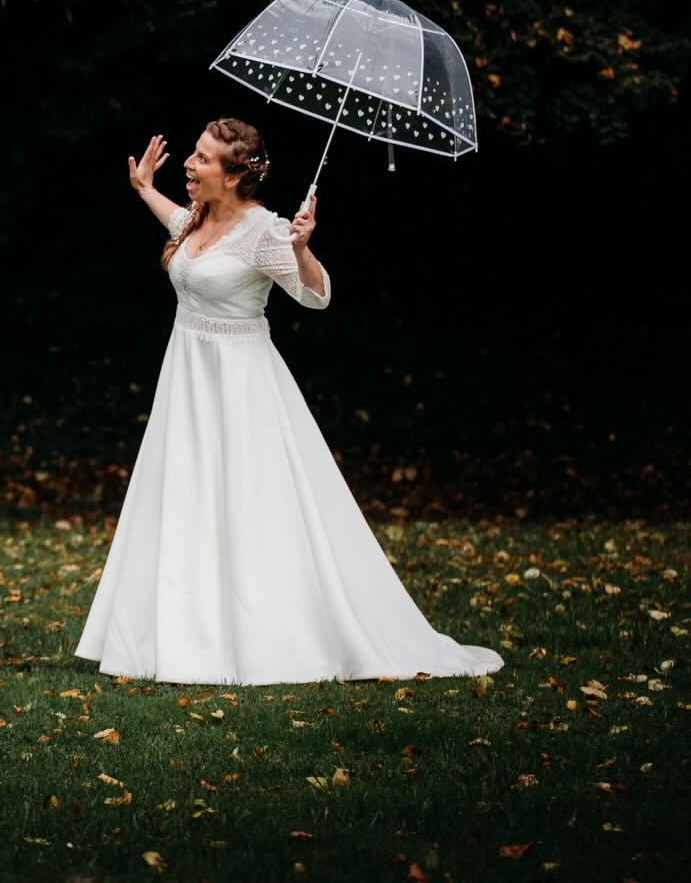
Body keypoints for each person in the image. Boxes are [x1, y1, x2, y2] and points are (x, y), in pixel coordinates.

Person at [76, 118, 502, 685]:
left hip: (241, 385)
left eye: (202, 159)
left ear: (232, 178)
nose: (189, 163)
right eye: (194, 155)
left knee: (248, 504)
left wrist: (300, 249)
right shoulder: (199, 217)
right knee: (185, 495)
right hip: (188, 379)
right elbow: (184, 233)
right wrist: (144, 190)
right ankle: (178, 631)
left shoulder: (266, 232)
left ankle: (261, 635)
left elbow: (316, 296)